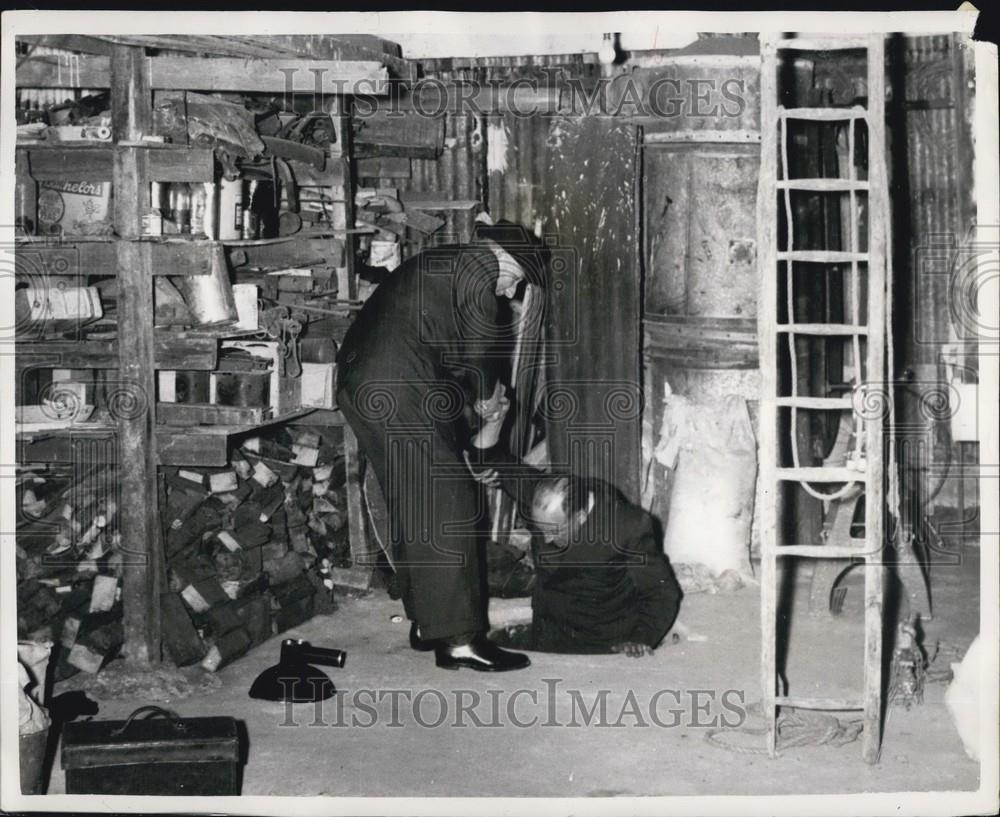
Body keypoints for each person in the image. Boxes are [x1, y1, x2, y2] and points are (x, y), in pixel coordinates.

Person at [335, 222, 547, 672]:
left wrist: (475, 417)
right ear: (507, 261)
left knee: (415, 499)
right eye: (518, 280)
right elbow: (481, 361)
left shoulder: (446, 264)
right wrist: (492, 414)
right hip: (396, 385)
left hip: (364, 381)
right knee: (449, 500)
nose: (511, 292)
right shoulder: (477, 274)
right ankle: (459, 638)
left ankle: (426, 621)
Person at [479, 466, 682, 657]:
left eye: (554, 531)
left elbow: (661, 592)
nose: (547, 539)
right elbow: (495, 458)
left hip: (600, 641)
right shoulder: (541, 496)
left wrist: (639, 639)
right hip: (547, 630)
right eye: (541, 529)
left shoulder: (627, 527)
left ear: (580, 517)